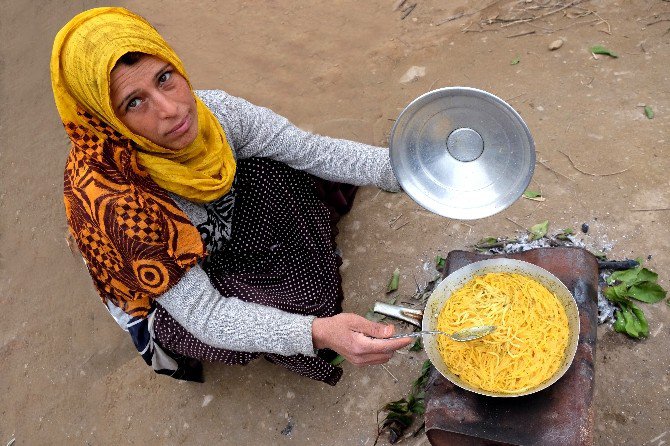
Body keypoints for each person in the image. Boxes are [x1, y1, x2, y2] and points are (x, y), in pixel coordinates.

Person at [51, 7, 412, 386]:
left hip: (213, 233)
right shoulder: (117, 205)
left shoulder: (215, 114)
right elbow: (206, 315)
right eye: (134, 102)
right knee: (267, 327)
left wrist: (413, 173)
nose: (172, 110)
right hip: (168, 292)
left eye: (165, 77)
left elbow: (310, 151)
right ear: (105, 119)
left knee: (275, 169)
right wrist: (316, 332)